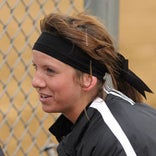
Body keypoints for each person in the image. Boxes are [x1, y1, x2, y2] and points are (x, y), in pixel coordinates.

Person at [32, 12, 156, 156]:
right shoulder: (100, 120)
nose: (36, 81)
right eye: (36, 67)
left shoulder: (114, 140)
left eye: (50, 70)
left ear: (88, 79)